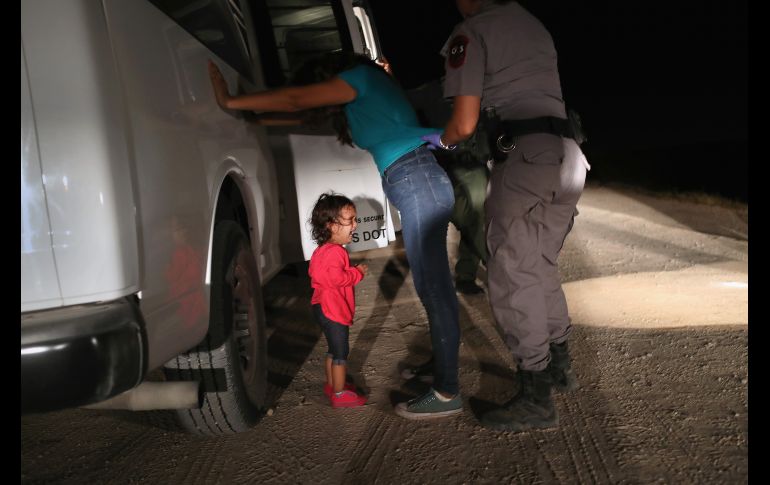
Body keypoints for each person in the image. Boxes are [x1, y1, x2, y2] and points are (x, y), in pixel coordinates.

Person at [208, 52, 463, 419]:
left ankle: (447, 390)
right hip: (413, 180)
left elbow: (296, 100)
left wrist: (230, 101)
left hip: (418, 178)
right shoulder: (361, 101)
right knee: (431, 287)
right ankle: (442, 366)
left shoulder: (361, 77)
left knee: (435, 289)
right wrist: (252, 115)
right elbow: (301, 113)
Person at [422, 0, 590, 432]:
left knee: (513, 273)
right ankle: (560, 367)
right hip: (569, 154)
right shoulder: (531, 22)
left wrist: (439, 142)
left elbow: (463, 123)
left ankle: (536, 396)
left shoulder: (472, 30)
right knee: (541, 264)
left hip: (524, 155)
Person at [307, 192, 368, 408]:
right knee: (341, 353)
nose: (355, 225)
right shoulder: (336, 252)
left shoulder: (321, 251)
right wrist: (357, 273)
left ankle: (333, 384)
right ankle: (340, 394)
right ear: (332, 226)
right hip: (333, 310)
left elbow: (317, 275)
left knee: (333, 349)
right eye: (350, 220)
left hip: (321, 307)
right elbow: (336, 279)